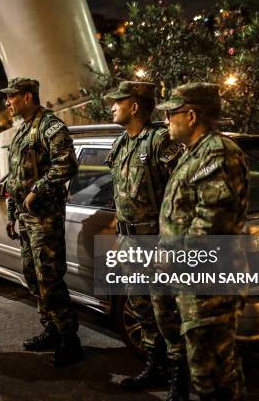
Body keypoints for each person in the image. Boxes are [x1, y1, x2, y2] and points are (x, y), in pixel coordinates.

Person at [156, 82, 249, 400]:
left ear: (191, 115)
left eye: (171, 114)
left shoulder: (217, 153)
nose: (167, 120)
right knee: (213, 368)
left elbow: (211, 224)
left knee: (211, 376)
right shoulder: (192, 154)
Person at [103, 81, 186, 398]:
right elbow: (122, 193)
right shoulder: (122, 143)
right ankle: (155, 367)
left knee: (168, 315)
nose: (112, 106)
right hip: (130, 243)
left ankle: (180, 382)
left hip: (157, 244)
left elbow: (180, 194)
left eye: (118, 102)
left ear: (134, 106)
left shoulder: (161, 141)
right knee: (141, 309)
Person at [0, 77, 82, 367]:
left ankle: (69, 338)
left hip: (45, 218)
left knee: (49, 278)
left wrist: (38, 190)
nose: (7, 102)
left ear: (28, 97)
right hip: (26, 218)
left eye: (11, 97)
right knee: (32, 277)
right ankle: (51, 330)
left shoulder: (50, 126)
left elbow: (67, 165)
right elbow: (15, 177)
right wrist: (12, 213)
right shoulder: (23, 131)